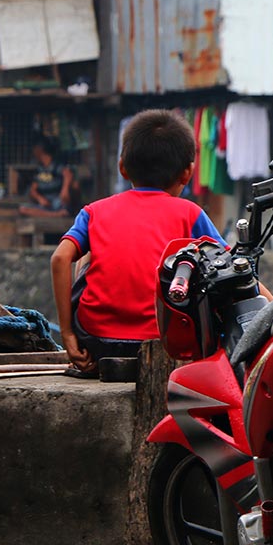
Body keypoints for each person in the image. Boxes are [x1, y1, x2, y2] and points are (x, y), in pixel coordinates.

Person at [50, 109, 229, 377]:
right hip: (166, 343)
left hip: (97, 343)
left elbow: (60, 258)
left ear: (122, 167)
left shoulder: (94, 211)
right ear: (188, 173)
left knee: (85, 257)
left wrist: (66, 334)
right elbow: (229, 267)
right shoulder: (190, 214)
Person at [19, 140, 74, 217]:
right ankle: (55, 215)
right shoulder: (40, 169)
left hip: (57, 201)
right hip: (45, 204)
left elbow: (68, 174)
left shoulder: (56, 165)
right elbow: (33, 190)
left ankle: (57, 213)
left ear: (39, 150)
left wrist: (65, 190)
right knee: (23, 209)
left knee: (62, 203)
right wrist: (40, 198)